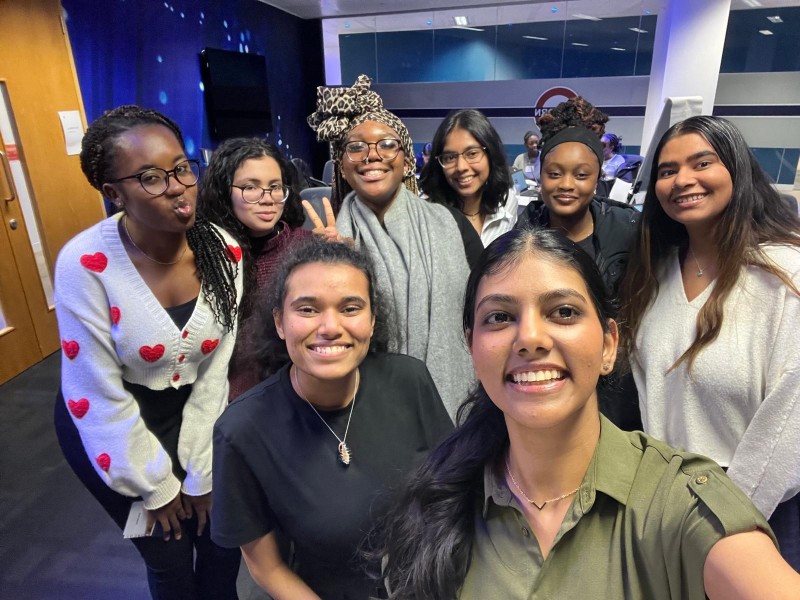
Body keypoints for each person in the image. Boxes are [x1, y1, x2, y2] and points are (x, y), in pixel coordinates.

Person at [374, 226, 800, 599]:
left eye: (563, 312)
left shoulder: (679, 502)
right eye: (500, 317)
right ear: (472, 348)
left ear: (609, 344)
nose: (531, 338)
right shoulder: (437, 501)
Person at [53, 105, 243, 599]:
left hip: (195, 412)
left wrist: (201, 473)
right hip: (108, 417)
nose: (178, 186)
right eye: (151, 178)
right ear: (112, 193)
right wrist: (156, 487)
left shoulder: (224, 251)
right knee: (170, 554)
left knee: (222, 541)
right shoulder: (85, 264)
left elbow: (215, 371)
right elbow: (93, 390)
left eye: (181, 168)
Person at [211, 239, 453, 599]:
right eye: (307, 309)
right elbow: (266, 567)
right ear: (280, 322)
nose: (330, 327)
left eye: (350, 308)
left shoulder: (410, 380)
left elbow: (452, 492)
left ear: (372, 321)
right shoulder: (242, 430)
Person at [619, 115, 800, 570]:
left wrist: (726, 522)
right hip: (668, 503)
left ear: (737, 170)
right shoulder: (654, 275)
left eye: (702, 163)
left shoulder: (784, 276)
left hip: (761, 510)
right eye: (666, 170)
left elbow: (788, 424)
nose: (683, 180)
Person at [304, 74, 480, 420]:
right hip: (364, 406)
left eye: (386, 144)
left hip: (455, 399)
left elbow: (482, 308)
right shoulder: (326, 239)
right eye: (355, 146)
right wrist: (333, 265)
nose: (372, 156)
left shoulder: (450, 224)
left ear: (406, 159)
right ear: (341, 163)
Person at [515, 97, 640, 430]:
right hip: (548, 371)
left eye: (581, 175)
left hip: (614, 379)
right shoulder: (523, 234)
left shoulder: (626, 230)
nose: (567, 185)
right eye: (554, 174)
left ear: (598, 176)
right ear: (540, 175)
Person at [199, 137, 310, 399]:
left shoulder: (307, 249)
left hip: (298, 398)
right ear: (225, 191)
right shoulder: (206, 253)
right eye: (251, 187)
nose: (267, 199)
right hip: (227, 404)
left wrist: (336, 257)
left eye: (275, 187)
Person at [420, 109, 517, 246]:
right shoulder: (426, 215)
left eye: (472, 154)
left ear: (490, 154)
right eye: (450, 157)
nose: (461, 167)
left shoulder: (507, 201)